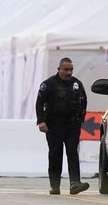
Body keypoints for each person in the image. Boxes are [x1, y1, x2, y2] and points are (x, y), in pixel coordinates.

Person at [35, 57, 90, 195]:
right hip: (54, 126)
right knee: (55, 154)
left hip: (72, 125)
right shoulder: (48, 84)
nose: (69, 73)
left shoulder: (76, 84)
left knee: (72, 153)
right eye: (66, 70)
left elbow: (83, 101)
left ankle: (75, 183)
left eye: (71, 70)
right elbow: (39, 103)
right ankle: (55, 186)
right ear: (59, 69)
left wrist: (80, 119)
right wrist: (41, 121)